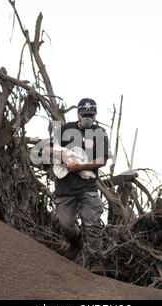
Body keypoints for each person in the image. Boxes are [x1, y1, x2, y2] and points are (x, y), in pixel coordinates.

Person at [45, 98, 110, 272]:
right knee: (65, 223)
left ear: (95, 115)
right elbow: (47, 150)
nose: (88, 118)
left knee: (93, 223)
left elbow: (102, 160)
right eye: (85, 114)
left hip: (87, 187)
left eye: (91, 115)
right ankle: (76, 243)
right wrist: (62, 157)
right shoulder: (65, 129)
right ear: (78, 114)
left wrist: (81, 167)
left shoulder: (99, 132)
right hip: (65, 186)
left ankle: (96, 260)